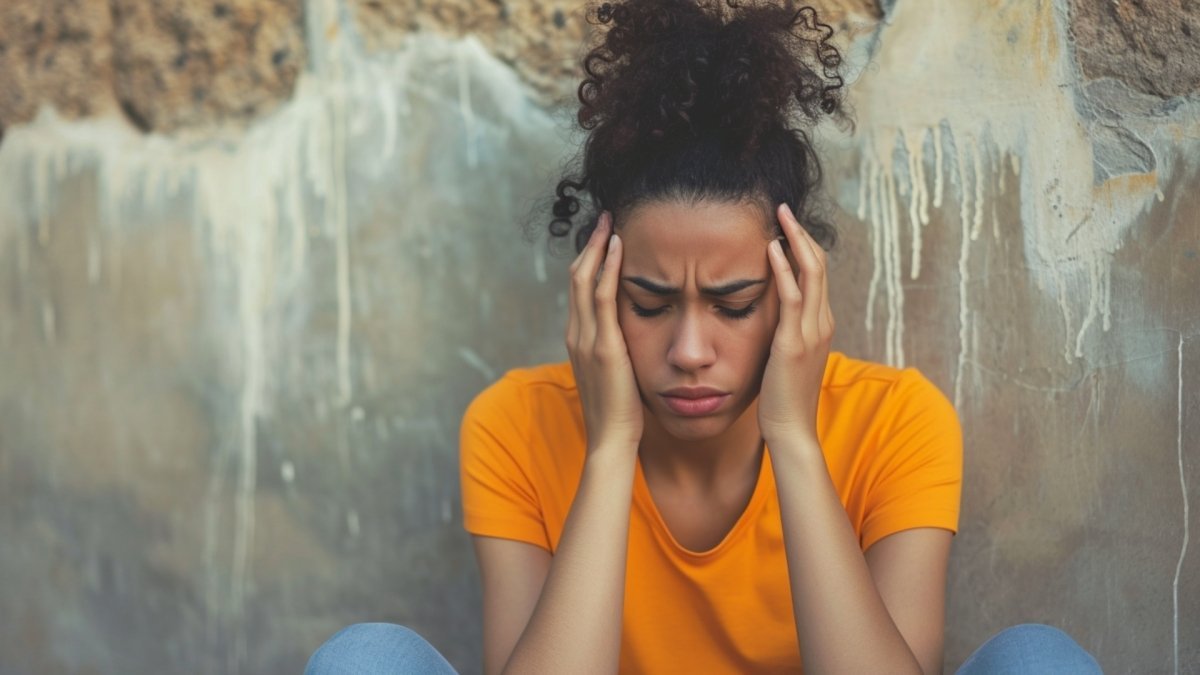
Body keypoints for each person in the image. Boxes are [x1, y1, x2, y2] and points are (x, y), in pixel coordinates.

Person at [306, 1, 1103, 672]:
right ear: (600, 289)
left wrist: (792, 434)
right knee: (363, 657)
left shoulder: (897, 422)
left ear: (794, 289)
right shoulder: (512, 427)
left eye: (733, 302)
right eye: (650, 303)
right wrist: (611, 443)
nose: (690, 348)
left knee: (1040, 658)